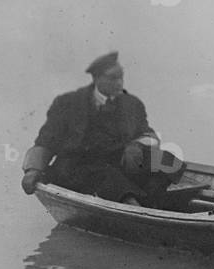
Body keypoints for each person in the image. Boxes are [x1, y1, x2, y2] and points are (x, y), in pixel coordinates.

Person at [21, 51, 184, 206]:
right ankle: (131, 205)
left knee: (167, 161)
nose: (119, 83)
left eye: (121, 77)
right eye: (113, 78)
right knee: (107, 176)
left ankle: (150, 201)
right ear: (97, 78)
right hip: (76, 166)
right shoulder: (67, 103)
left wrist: (136, 145)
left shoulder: (132, 104)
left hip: (117, 160)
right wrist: (33, 170)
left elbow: (149, 134)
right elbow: (46, 140)